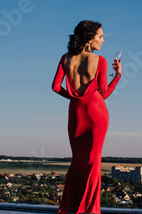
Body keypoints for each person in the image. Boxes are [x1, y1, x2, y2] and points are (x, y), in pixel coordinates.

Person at [52, 20, 122, 214]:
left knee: (77, 161)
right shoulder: (99, 61)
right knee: (93, 162)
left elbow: (56, 87)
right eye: (100, 36)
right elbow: (105, 93)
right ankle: (90, 211)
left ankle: (73, 208)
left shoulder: (65, 58)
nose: (103, 40)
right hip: (96, 114)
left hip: (75, 113)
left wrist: (75, 97)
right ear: (90, 38)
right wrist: (117, 75)